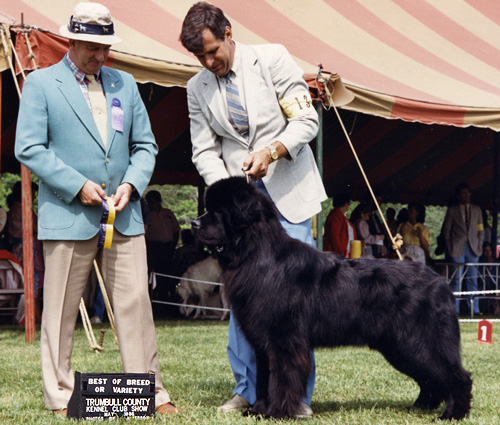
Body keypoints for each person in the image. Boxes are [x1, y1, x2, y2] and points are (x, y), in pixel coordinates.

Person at [14, 2, 179, 416]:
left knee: (136, 306)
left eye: (105, 47)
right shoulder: (40, 84)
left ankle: (149, 393)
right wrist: (77, 185)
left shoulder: (126, 84)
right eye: (91, 47)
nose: (100, 55)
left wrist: (131, 184)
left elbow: (146, 147)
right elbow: (28, 147)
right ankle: (59, 394)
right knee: (60, 311)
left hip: (125, 214)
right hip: (68, 215)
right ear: (71, 40)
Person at [180, 2, 327, 417]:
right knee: (244, 296)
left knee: (293, 304)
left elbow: (306, 120)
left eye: (213, 52)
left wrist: (271, 151)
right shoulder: (197, 89)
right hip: (240, 214)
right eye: (200, 57)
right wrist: (226, 189)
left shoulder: (274, 58)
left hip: (289, 194)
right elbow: (203, 150)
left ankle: (294, 397)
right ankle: (246, 389)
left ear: (228, 33)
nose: (209, 63)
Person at [442, 183, 484, 316]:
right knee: (457, 280)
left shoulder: (477, 210)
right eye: (463, 194)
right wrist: (450, 248)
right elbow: (446, 230)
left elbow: (481, 230)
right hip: (457, 248)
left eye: (468, 193)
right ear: (458, 196)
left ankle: (474, 310)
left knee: (473, 278)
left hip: (473, 248)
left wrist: (479, 245)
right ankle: (455, 310)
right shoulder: (452, 210)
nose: (466, 196)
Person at [323, 193, 357, 257]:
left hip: (339, 253)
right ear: (345, 204)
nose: (349, 205)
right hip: (336, 253)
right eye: (349, 203)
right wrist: (340, 252)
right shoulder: (336, 216)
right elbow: (335, 236)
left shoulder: (339, 215)